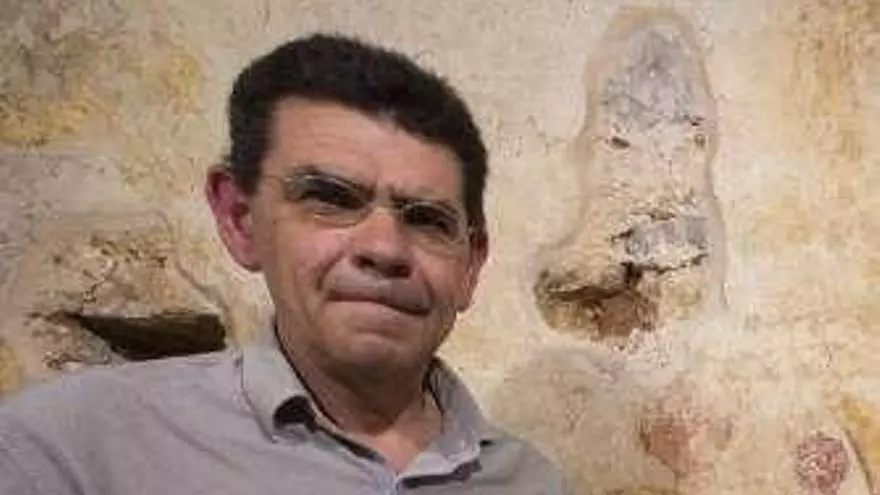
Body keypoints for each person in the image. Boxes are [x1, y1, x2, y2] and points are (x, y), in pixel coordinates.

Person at [0, 33, 568, 494]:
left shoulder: (530, 482)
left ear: (471, 265)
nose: (385, 248)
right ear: (240, 218)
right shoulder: (70, 452)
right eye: (332, 198)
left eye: (427, 220)